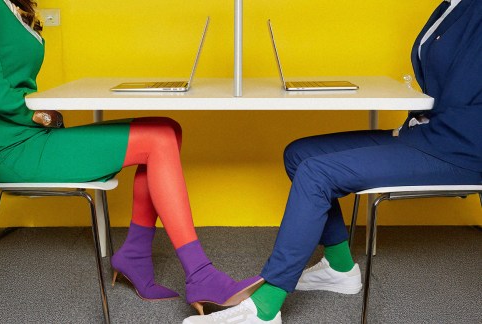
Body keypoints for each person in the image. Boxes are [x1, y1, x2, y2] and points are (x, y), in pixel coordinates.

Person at [183, 0, 482, 323]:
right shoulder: (452, 5)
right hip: (425, 134)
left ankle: (265, 308)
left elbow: (462, 92)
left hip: (457, 148)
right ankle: (340, 270)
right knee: (301, 154)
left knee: (316, 173)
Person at [0, 0, 264, 315]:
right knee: (158, 139)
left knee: (167, 129)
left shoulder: (13, 6)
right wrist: (45, 117)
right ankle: (200, 275)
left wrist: (45, 119)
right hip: (11, 148)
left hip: (31, 135)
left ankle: (135, 256)